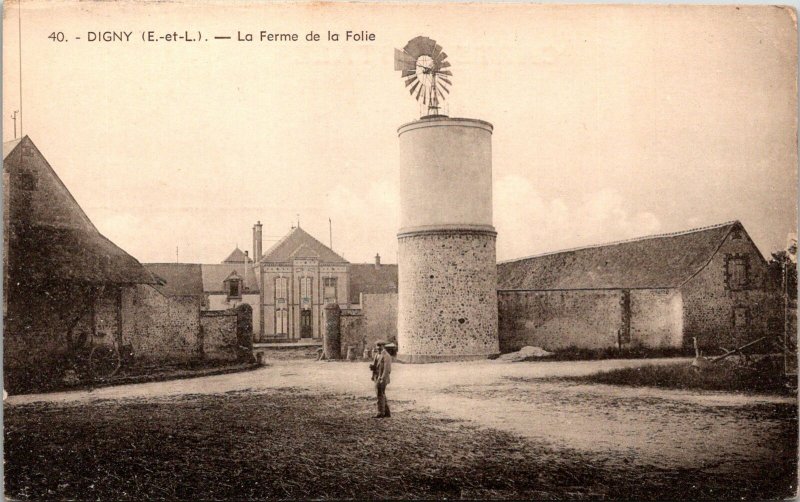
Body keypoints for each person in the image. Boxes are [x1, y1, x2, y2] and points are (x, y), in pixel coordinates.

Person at [372, 341, 392, 418]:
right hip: (376, 377)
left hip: (382, 378)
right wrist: (373, 372)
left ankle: (380, 412)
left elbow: (387, 369)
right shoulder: (377, 354)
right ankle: (387, 412)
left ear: (383, 346)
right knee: (382, 394)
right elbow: (376, 366)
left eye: (380, 346)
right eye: (377, 346)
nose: (378, 347)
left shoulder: (386, 356)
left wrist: (382, 378)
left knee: (379, 394)